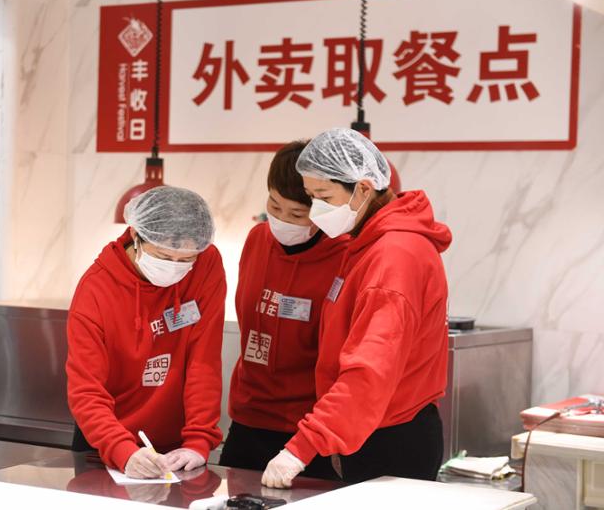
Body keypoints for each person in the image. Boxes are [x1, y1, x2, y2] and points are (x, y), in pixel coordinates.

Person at [261, 128, 452, 488]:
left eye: (324, 197)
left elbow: (369, 371)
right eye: (312, 197)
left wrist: (301, 448)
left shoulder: (394, 256)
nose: (316, 210)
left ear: (363, 189)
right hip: (367, 428)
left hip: (393, 439)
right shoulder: (368, 243)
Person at [66, 186, 226, 479]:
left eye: (185, 260)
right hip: (106, 442)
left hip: (176, 447)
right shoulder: (96, 290)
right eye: (164, 256)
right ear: (136, 236)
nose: (175, 268)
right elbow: (86, 389)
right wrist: (121, 449)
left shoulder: (206, 263)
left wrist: (199, 440)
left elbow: (204, 360)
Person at [219, 141, 347, 480]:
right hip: (248, 416)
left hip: (308, 428)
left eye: (297, 214)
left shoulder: (344, 256)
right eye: (274, 205)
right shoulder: (256, 240)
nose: (281, 220)